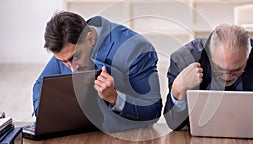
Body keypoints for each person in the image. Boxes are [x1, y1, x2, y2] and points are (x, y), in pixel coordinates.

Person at [32, 11, 162, 132]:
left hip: (125, 137)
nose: (72, 68)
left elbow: (153, 111)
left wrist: (115, 98)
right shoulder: (67, 49)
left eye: (75, 57)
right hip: (76, 135)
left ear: (90, 39)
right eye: (63, 62)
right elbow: (40, 86)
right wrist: (47, 116)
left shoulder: (135, 49)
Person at [163, 23, 253, 131]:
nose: (227, 77)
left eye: (236, 70)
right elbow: (174, 124)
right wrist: (177, 91)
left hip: (247, 133)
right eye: (219, 68)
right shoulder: (183, 59)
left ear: (248, 56)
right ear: (210, 54)